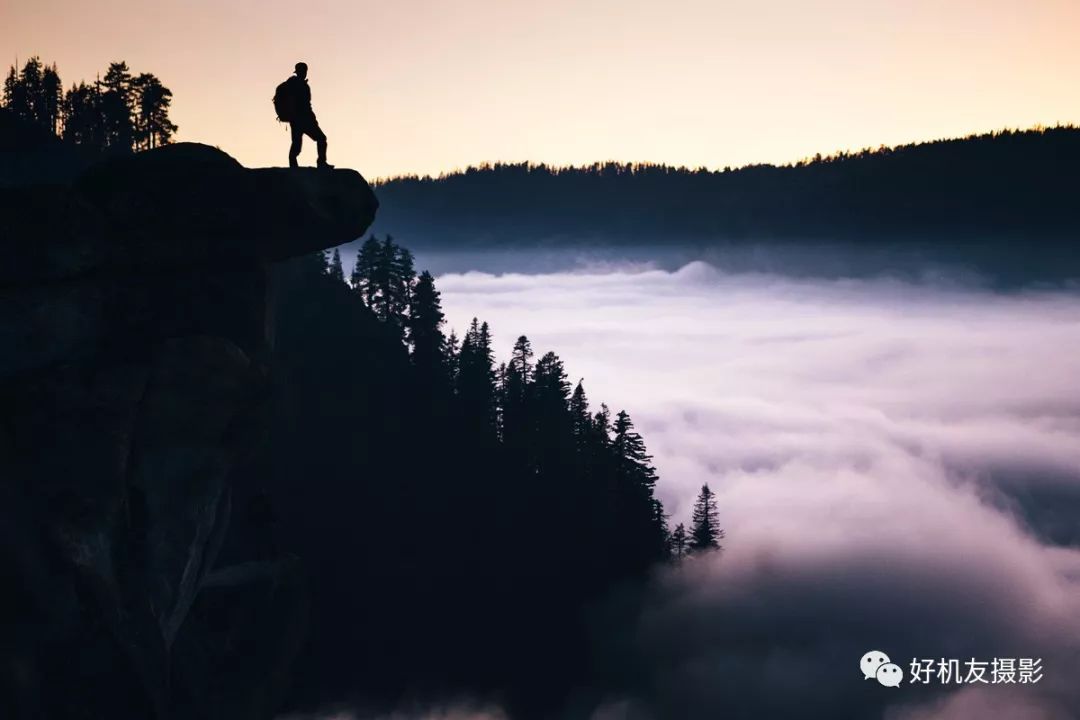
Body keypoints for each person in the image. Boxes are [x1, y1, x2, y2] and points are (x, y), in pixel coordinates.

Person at [284, 62, 332, 169]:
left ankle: (294, 166)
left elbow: (306, 105)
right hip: (303, 120)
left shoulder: (294, 84)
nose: (304, 73)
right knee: (320, 139)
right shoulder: (300, 85)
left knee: (297, 145)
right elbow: (306, 105)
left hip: (297, 120)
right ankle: (321, 163)